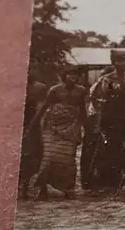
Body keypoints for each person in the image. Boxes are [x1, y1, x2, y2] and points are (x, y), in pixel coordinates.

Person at [30, 66, 87, 200]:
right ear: (64, 76)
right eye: (70, 74)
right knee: (48, 158)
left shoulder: (81, 91)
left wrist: (86, 127)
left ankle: (68, 189)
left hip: (71, 127)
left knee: (68, 160)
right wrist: (33, 125)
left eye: (75, 75)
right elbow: (44, 107)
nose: (73, 77)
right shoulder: (54, 90)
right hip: (52, 127)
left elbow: (82, 109)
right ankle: (43, 189)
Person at [90, 49, 125, 194]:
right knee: (106, 150)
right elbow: (97, 99)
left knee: (124, 150)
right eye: (118, 61)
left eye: (124, 60)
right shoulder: (107, 79)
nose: (122, 64)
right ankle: (100, 183)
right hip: (109, 119)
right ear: (113, 62)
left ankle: (117, 182)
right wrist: (99, 121)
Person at [80, 66, 114, 190]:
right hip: (96, 120)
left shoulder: (114, 87)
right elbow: (97, 105)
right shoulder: (98, 87)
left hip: (108, 121)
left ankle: (104, 180)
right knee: (93, 151)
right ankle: (90, 181)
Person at [18, 68, 47, 200]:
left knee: (34, 155)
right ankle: (22, 186)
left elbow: (42, 108)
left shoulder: (39, 88)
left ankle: (33, 186)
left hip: (33, 126)